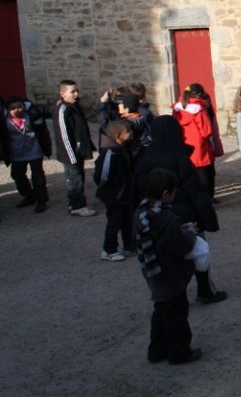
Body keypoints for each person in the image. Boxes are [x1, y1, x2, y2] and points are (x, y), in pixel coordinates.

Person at [134, 116, 226, 304]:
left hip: (155, 217)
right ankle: (205, 290)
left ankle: (171, 293)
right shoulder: (180, 158)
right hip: (185, 216)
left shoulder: (143, 159)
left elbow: (136, 192)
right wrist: (208, 220)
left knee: (167, 258)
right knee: (199, 252)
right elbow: (195, 192)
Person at [134, 168, 202, 365]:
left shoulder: (141, 213)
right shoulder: (165, 220)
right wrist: (189, 233)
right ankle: (180, 352)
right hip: (169, 274)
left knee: (161, 311)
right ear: (165, 194)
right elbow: (180, 245)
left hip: (152, 271)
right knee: (177, 316)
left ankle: (156, 350)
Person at [52, 80, 97, 216]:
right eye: (73, 91)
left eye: (77, 91)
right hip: (70, 153)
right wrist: (71, 155)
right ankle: (78, 206)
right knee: (74, 179)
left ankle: (76, 203)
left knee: (78, 177)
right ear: (62, 93)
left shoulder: (74, 106)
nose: (76, 94)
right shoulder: (63, 110)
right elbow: (64, 135)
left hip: (77, 151)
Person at [94, 120, 135, 261]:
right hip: (113, 194)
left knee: (127, 220)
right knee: (114, 222)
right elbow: (102, 175)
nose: (131, 133)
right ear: (118, 136)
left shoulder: (122, 148)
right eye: (127, 131)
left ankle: (129, 246)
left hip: (124, 193)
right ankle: (109, 250)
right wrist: (110, 190)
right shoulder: (110, 153)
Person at [2, 96, 52, 213]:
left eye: (19, 107)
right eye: (13, 108)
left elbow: (47, 111)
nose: (17, 110)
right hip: (16, 152)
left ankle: (41, 200)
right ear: (8, 110)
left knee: (37, 176)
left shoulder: (32, 115)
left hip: (35, 150)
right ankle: (29, 196)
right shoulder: (4, 120)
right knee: (17, 175)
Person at [172, 84, 216, 200]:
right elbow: (207, 131)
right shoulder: (198, 110)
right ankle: (207, 198)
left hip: (184, 144)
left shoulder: (177, 109)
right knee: (205, 175)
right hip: (200, 145)